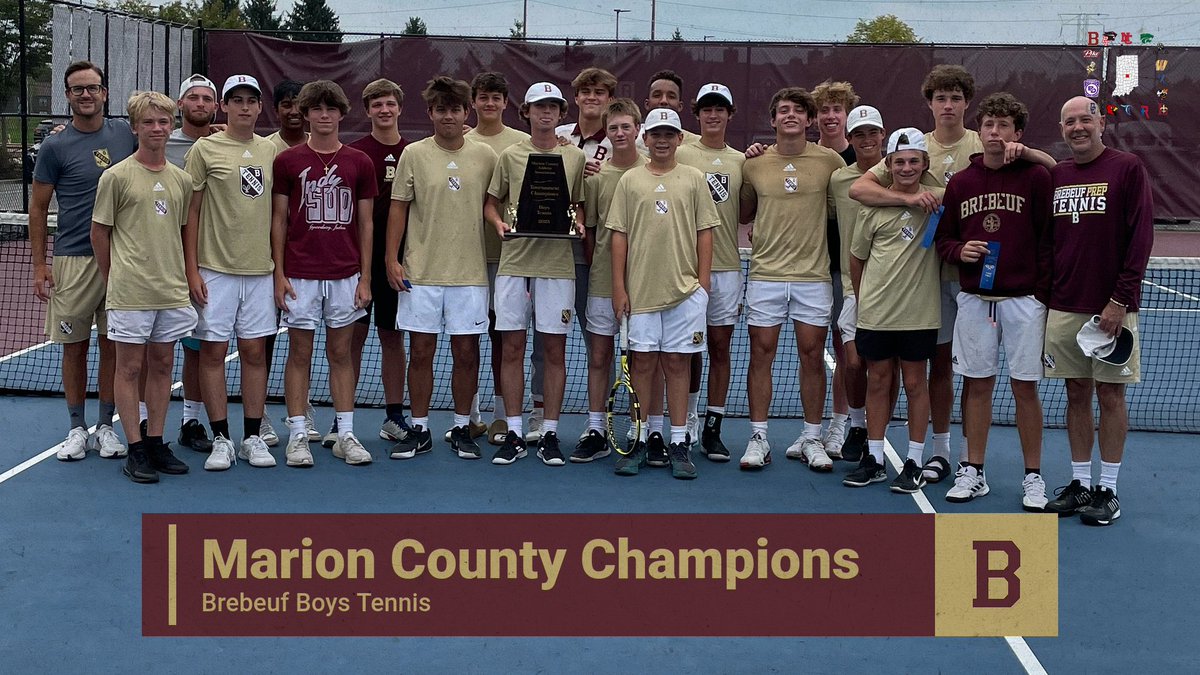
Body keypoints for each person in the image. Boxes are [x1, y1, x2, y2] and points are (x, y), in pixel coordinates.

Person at [850, 65, 1055, 483]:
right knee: (909, 370)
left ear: (967, 104)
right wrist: (909, 199)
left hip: (972, 283)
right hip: (927, 280)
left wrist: (1026, 151)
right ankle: (883, 449)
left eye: (956, 98)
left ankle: (944, 452)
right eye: (940, 98)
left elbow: (1049, 170)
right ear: (930, 103)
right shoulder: (911, 143)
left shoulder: (989, 143)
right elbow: (861, 188)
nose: (948, 105)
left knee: (945, 369)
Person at [934, 92, 1053, 510]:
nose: (995, 133)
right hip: (974, 301)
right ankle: (973, 470)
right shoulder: (962, 183)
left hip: (1024, 301)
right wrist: (958, 251)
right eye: (989, 125)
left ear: (1017, 133)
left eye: (1004, 126)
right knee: (977, 386)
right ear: (979, 131)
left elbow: (1048, 238)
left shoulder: (1035, 178)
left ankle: (1033, 477)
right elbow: (942, 239)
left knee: (1025, 389)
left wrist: (1040, 292)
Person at [1042, 96, 1153, 526]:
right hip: (1064, 307)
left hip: (1112, 309)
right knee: (1074, 393)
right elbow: (1050, 242)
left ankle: (1107, 489)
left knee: (1110, 395)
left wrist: (1119, 301)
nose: (1078, 128)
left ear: (1101, 123)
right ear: (1062, 128)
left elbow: (1140, 238)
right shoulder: (1057, 175)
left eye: (1085, 119)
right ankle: (1080, 483)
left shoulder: (1128, 168)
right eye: (1069, 122)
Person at [384, 76, 497, 461]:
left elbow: (497, 203)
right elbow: (398, 208)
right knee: (421, 352)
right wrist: (391, 259)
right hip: (421, 274)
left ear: (467, 112)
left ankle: (462, 426)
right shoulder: (414, 154)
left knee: (467, 353)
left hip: (470, 276)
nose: (449, 116)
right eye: (441, 109)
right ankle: (419, 429)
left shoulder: (486, 156)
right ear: (431, 113)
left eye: (456, 109)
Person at [31, 60, 135, 462]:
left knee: (114, 346)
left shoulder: (126, 134)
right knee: (74, 347)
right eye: (78, 90)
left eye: (93, 88)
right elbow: (38, 209)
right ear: (68, 96)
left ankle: (106, 427)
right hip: (72, 261)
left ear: (105, 93)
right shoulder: (55, 146)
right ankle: (77, 428)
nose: (86, 95)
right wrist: (40, 266)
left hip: (122, 261)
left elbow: (168, 139)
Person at [738, 87, 845, 471]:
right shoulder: (753, 164)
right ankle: (758, 438)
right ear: (773, 120)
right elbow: (745, 214)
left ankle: (812, 437)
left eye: (799, 111)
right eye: (783, 110)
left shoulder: (830, 161)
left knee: (812, 355)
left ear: (809, 120)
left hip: (813, 276)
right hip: (766, 273)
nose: (791, 116)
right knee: (760, 354)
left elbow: (840, 211)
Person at [91, 90, 196, 483]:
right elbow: (99, 233)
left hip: (170, 291)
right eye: (148, 122)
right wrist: (113, 277)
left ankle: (155, 441)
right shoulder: (115, 177)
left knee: (164, 365)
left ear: (172, 126)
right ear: (135, 128)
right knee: (129, 367)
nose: (157, 128)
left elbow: (184, 233)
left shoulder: (182, 180)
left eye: (163, 122)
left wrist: (186, 278)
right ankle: (134, 448)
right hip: (130, 293)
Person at [608, 107, 718, 479]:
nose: (662, 140)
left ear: (679, 139)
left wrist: (702, 284)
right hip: (639, 294)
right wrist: (619, 286)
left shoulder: (693, 178)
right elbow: (618, 235)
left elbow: (706, 231)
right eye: (656, 134)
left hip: (685, 294)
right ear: (646, 137)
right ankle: (643, 438)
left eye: (669, 134)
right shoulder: (630, 181)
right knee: (643, 365)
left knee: (677, 365)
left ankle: (678, 441)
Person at [271, 80, 377, 467]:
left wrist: (365, 277)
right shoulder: (287, 161)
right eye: (316, 109)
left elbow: (366, 224)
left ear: (341, 114)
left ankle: (345, 433)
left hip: (346, 275)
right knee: (299, 353)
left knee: (341, 354)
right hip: (300, 274)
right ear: (306, 114)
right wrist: (279, 274)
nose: (324, 116)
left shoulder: (359, 162)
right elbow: (279, 220)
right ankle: (298, 434)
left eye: (331, 109)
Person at [483, 81, 586, 466]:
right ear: (525, 112)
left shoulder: (574, 158)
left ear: (561, 114)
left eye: (553, 107)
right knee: (511, 347)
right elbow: (491, 205)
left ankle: (550, 434)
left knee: (554, 350)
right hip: (514, 264)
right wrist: (498, 225)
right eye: (538, 107)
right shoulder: (510, 155)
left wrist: (580, 226)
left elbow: (579, 206)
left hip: (557, 266)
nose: (546, 113)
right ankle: (512, 432)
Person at [183, 75, 279, 471]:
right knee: (213, 353)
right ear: (224, 107)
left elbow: (279, 214)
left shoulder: (272, 151)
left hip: (260, 272)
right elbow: (191, 214)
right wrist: (192, 272)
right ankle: (222, 438)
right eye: (235, 100)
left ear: (259, 108)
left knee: (256, 353)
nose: (243, 107)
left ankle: (252, 437)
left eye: (250, 101)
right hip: (214, 271)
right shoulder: (204, 150)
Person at [844, 128, 944, 493]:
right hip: (877, 315)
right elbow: (857, 259)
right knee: (879, 382)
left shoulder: (939, 201)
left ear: (924, 164)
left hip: (920, 315)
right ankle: (874, 459)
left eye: (913, 161)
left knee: (916, 384)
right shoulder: (872, 208)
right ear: (888, 165)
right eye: (899, 162)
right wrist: (862, 300)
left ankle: (915, 462)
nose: (906, 168)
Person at [525, 67, 616, 444]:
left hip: (604, 255)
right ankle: (537, 409)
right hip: (553, 255)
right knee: (546, 338)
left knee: (600, 341)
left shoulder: (629, 138)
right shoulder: (556, 136)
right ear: (575, 100)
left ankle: (603, 416)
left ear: (610, 99)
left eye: (600, 92)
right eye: (586, 92)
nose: (592, 98)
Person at [572, 98, 646, 463]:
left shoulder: (655, 171)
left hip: (648, 285)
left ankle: (640, 429)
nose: (620, 133)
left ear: (638, 129)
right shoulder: (596, 178)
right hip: (602, 283)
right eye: (613, 127)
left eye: (626, 127)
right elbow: (592, 232)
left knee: (645, 360)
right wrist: (604, 270)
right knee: (598, 356)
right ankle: (596, 428)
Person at [675, 83, 744, 461]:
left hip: (728, 269)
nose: (713, 115)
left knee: (720, 348)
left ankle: (712, 428)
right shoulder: (680, 153)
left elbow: (746, 210)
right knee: (685, 350)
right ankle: (683, 424)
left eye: (720, 109)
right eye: (706, 109)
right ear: (696, 115)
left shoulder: (741, 161)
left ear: (730, 114)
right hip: (683, 269)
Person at [464, 72, 530, 445]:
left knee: (504, 338)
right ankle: (469, 415)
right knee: (468, 336)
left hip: (512, 259)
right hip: (470, 259)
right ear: (473, 101)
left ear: (506, 102)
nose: (489, 104)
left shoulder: (523, 143)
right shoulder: (461, 139)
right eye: (483, 97)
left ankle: (502, 416)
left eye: (496, 97)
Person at [346, 78, 412, 447]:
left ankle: (393, 416)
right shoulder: (354, 153)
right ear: (367, 110)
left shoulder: (414, 152)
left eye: (390, 103)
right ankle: (345, 421)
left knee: (392, 337)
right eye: (377, 104)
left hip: (398, 263)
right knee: (351, 338)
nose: (384, 110)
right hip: (357, 263)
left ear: (399, 108)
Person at [827, 105, 885, 465]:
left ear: (883, 135)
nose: (866, 140)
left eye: (872, 133)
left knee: (884, 367)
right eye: (858, 134)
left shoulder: (899, 174)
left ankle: (873, 436)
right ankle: (858, 423)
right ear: (849, 140)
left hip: (895, 289)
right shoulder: (837, 181)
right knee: (852, 361)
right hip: (853, 286)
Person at [164, 73, 219, 454]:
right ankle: (145, 426)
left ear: (216, 106)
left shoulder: (225, 144)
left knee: (196, 348)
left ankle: (190, 421)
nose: (200, 104)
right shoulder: (157, 142)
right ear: (180, 104)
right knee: (154, 348)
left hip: (207, 263)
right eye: (193, 98)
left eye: (206, 98)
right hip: (161, 262)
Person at [809, 80, 860, 461]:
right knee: (810, 349)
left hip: (846, 270)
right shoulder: (807, 156)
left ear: (846, 115)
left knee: (846, 352)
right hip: (810, 268)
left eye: (836, 109)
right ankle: (810, 431)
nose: (830, 116)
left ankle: (839, 425)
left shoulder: (857, 158)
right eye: (823, 110)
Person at [264, 79, 307, 151]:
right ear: (276, 111)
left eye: (299, 105)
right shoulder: (265, 146)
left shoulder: (319, 144)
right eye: (287, 105)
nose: (294, 112)